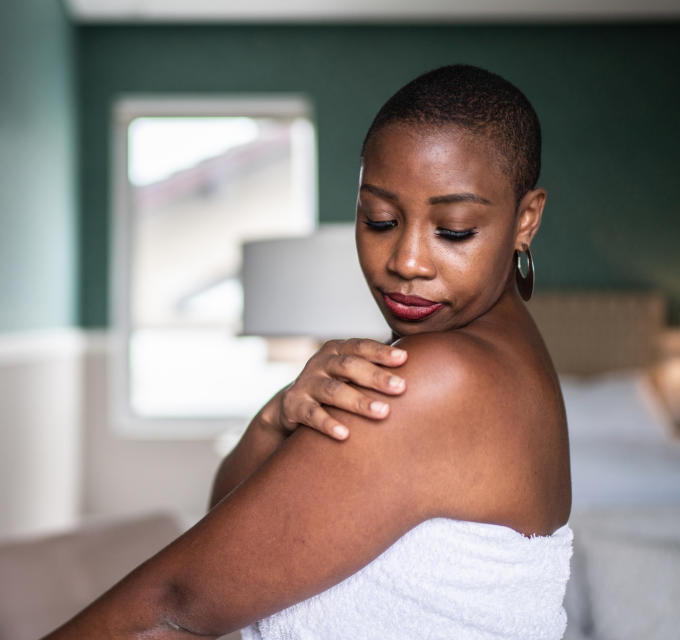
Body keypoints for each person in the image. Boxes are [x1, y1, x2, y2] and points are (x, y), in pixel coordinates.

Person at [42, 64, 572, 640]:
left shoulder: (438, 378)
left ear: (526, 219)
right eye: (381, 219)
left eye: (454, 229)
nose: (406, 260)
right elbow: (232, 524)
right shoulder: (507, 356)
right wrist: (279, 414)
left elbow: (175, 605)